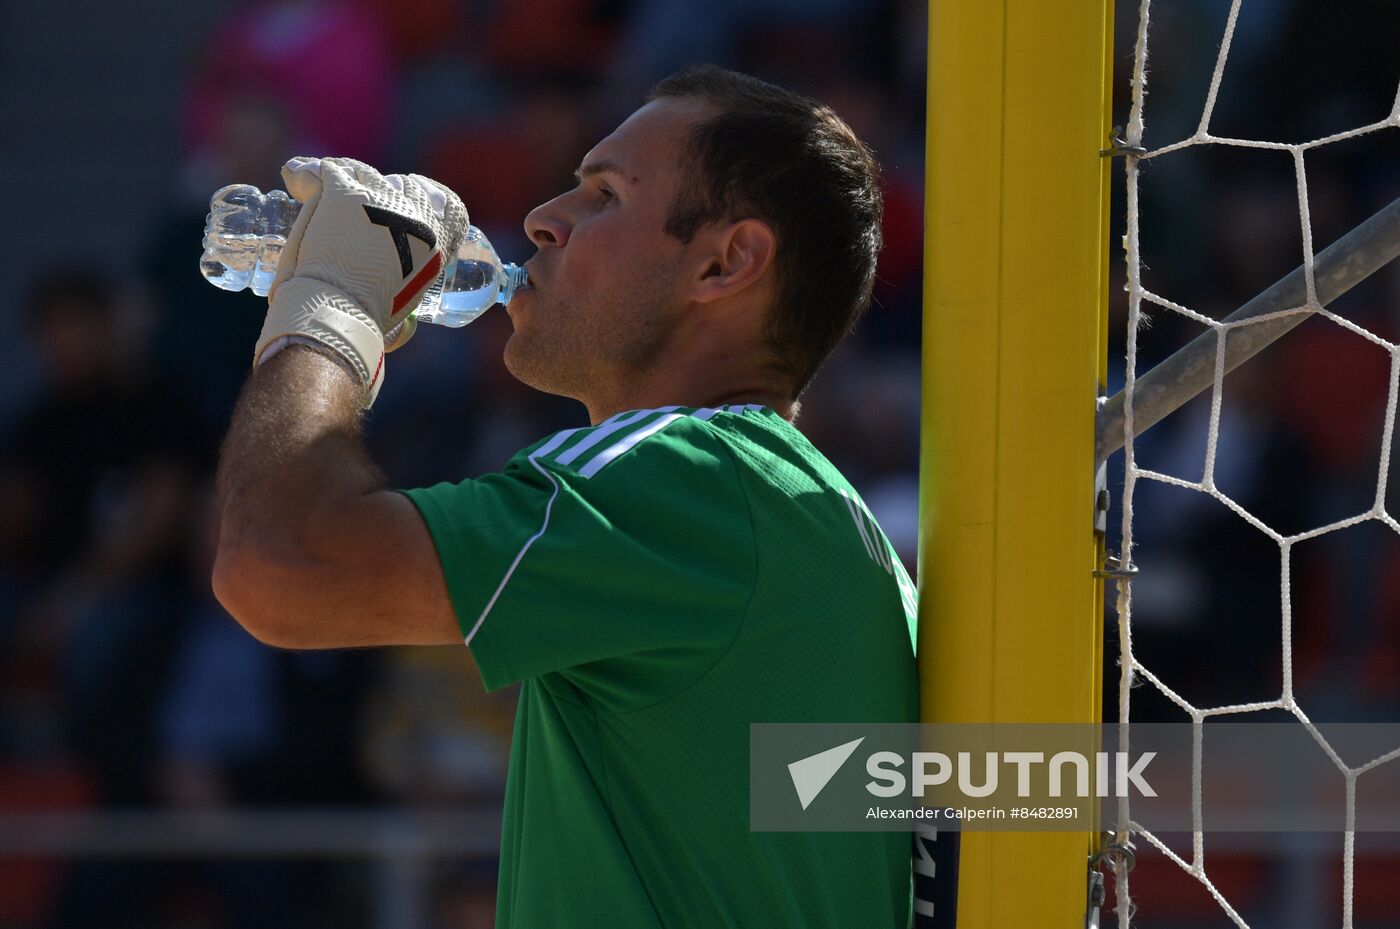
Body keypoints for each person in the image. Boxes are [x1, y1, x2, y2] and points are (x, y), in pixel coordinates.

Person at [212, 65, 919, 927]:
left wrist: (328, 306)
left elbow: (281, 562)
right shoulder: (803, 508)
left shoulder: (685, 473)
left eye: (604, 195)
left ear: (727, 262)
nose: (545, 218)